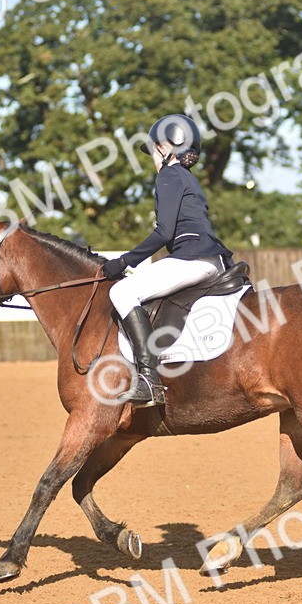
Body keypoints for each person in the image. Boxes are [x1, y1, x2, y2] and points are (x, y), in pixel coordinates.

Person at [101, 114, 233, 407]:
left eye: (153, 150)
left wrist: (123, 262)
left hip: (193, 259)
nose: (152, 158)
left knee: (121, 291)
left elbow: (164, 232)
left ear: (165, 147)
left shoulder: (169, 175)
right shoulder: (187, 177)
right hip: (211, 259)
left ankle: (148, 379)